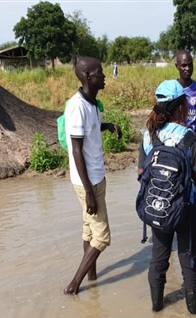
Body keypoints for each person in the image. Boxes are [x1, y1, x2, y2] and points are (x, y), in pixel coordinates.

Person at [138, 80, 196, 314]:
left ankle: (157, 308)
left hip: (158, 206)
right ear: (180, 107)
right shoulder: (189, 137)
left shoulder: (148, 137)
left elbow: (141, 174)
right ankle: (194, 312)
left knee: (159, 258)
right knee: (188, 259)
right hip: (188, 208)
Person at [63, 56, 122, 295]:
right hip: (89, 182)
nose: (104, 75)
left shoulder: (92, 104)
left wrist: (107, 126)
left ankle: (93, 278)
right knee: (103, 237)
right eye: (100, 72)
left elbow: (89, 132)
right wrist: (88, 191)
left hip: (96, 178)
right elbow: (76, 150)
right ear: (88, 77)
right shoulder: (77, 106)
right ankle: (74, 285)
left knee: (89, 231)